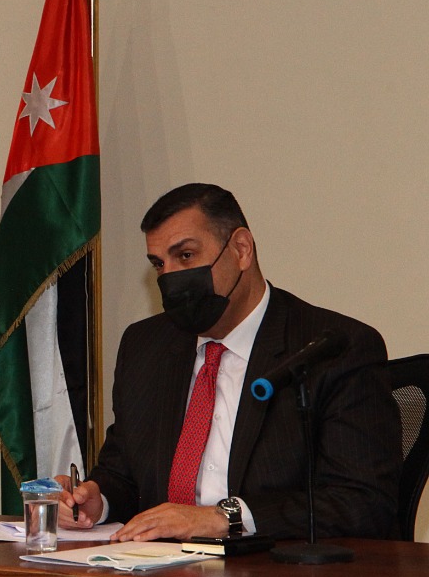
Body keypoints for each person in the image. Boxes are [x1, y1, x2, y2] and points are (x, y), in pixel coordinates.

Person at [60, 184, 400, 540]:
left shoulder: (332, 348)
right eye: (159, 264)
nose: (170, 278)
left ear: (241, 249)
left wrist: (224, 517)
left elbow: (363, 502)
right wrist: (98, 500)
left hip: (271, 564)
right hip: (159, 563)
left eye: (186, 256)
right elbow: (123, 473)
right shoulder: (145, 345)